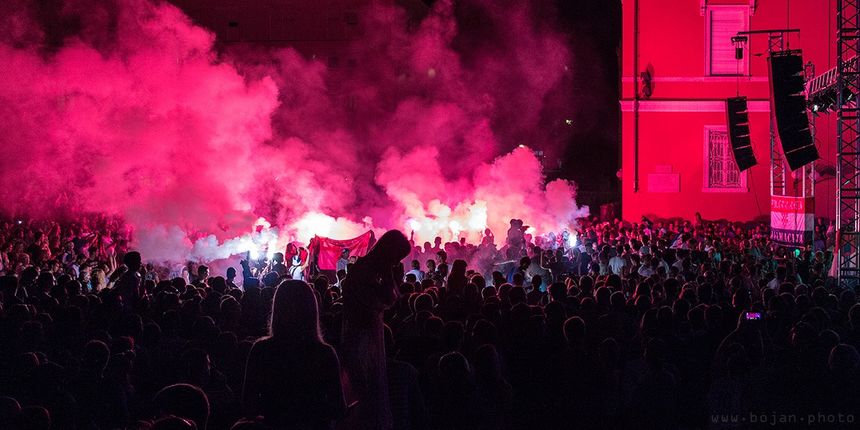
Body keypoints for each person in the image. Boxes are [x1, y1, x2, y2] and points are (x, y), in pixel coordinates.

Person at [242, 280, 347, 429]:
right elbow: (338, 408)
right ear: (312, 309)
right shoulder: (324, 353)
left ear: (277, 309)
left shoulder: (261, 350)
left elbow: (248, 405)